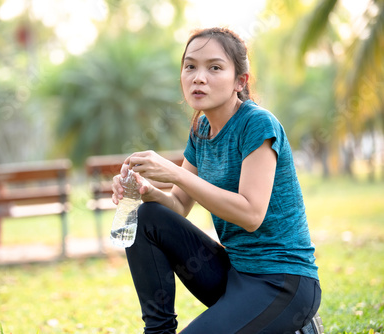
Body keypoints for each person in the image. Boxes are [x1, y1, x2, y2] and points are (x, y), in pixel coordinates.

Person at [111, 27, 322, 334]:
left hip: (284, 281)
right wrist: (147, 190)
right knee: (148, 217)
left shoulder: (257, 124)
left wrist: (175, 173)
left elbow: (251, 215)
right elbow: (178, 206)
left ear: (240, 81)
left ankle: (296, 325)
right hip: (234, 274)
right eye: (190, 66)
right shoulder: (201, 130)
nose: (198, 77)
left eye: (214, 67)